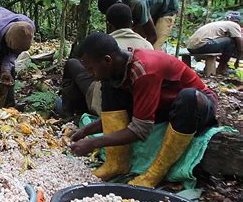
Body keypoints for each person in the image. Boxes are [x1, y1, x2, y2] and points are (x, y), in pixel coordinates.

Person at [69, 32, 217, 188]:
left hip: (195, 105)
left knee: (189, 97)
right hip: (164, 104)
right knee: (108, 84)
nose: (90, 75)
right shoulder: (119, 68)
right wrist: (86, 131)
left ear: (107, 60)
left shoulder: (144, 70)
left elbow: (140, 130)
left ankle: (156, 173)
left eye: (91, 69)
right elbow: (122, 115)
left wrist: (93, 143)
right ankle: (116, 163)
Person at [55, 3, 152, 118]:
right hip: (135, 105)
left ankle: (71, 112)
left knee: (73, 65)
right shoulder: (147, 46)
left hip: (108, 107)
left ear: (109, 25)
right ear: (132, 23)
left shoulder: (104, 45)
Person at [98, 0, 179, 51]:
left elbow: (152, 36)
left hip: (166, 8)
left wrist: (138, 53)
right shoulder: (119, 5)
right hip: (150, 5)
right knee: (133, 39)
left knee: (154, 49)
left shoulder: (138, 4)